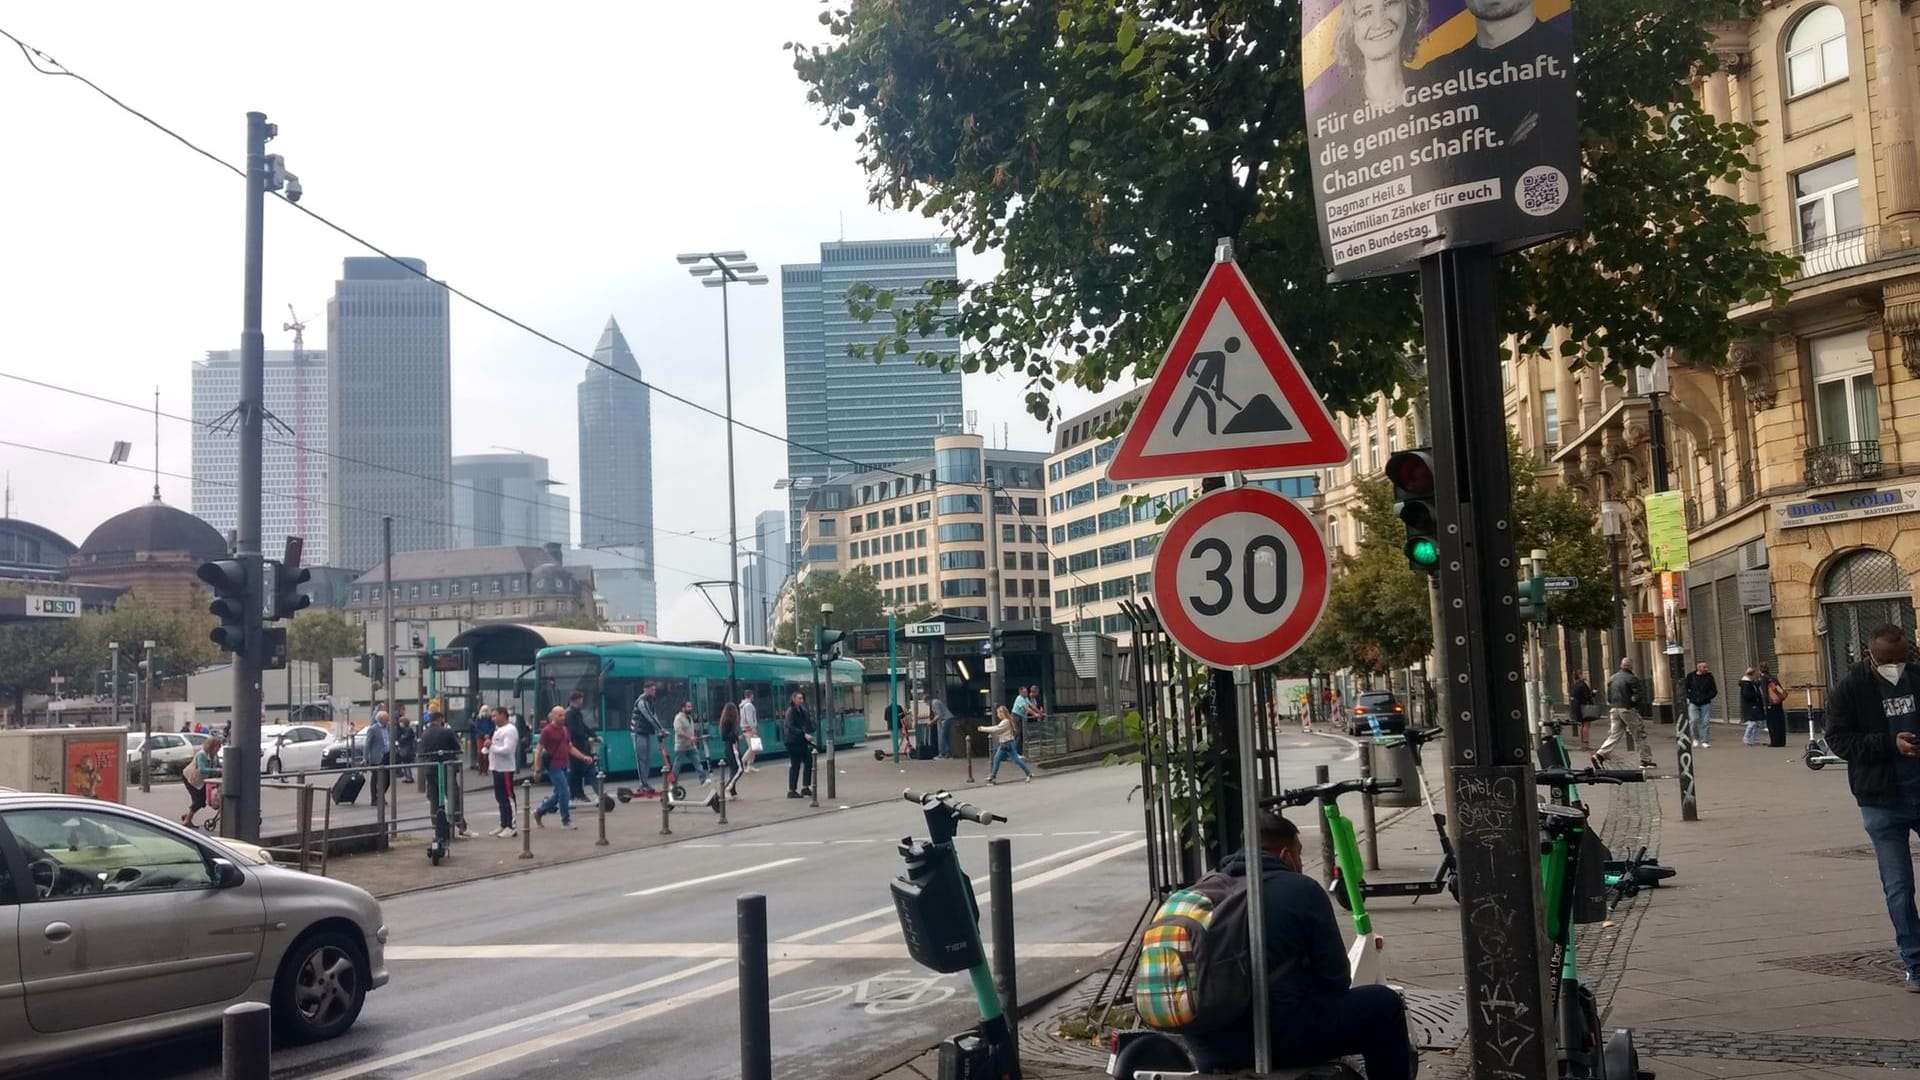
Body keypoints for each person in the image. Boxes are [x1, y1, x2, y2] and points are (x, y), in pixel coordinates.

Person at [1187, 809, 1414, 1079]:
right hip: (1276, 1039)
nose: (1301, 863)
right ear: (1286, 855)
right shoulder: (1300, 889)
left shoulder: (1201, 890)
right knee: (1385, 1006)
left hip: (1204, 1044)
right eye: (1299, 854)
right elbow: (1335, 979)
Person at [1823, 623, 1920, 993]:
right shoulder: (1851, 689)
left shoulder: (1918, 678)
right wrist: (1889, 744)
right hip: (1882, 799)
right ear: (1870, 655)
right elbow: (1839, 740)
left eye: (1902, 659)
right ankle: (1915, 962)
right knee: (1898, 886)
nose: (1896, 665)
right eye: (1887, 660)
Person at [1332, 0, 1429, 114]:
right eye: (1365, 13)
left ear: (1408, 8)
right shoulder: (1336, 112)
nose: (1379, 23)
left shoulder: (1437, 85)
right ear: (1350, 28)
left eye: (1389, 3)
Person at [534, 706, 593, 829]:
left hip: (564, 765)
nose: (563, 718)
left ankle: (539, 811)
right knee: (565, 790)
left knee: (559, 793)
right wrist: (537, 769)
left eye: (564, 715)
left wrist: (583, 757)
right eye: (560, 715)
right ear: (553, 716)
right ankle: (565, 820)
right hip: (553, 766)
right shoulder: (547, 731)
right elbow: (538, 750)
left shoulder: (565, 730)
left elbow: (570, 747)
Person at [1594, 658, 1657, 769]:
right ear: (1630, 666)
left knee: (1615, 734)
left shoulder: (1612, 678)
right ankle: (1645, 760)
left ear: (1621, 665)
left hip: (1614, 709)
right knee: (1639, 734)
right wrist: (1633, 703)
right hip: (1627, 709)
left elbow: (1608, 696)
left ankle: (1600, 754)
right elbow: (1639, 695)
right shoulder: (1632, 679)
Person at [419, 710, 468, 837]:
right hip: (446, 768)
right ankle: (459, 823)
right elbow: (457, 747)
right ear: (440, 719)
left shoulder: (424, 734)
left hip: (429, 769)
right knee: (453, 796)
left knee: (434, 798)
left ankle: (437, 825)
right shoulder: (446, 732)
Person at [481, 705, 519, 837]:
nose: (493, 718)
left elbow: (507, 750)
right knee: (500, 797)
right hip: (496, 767)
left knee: (508, 796)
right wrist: (488, 748)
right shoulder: (498, 729)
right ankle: (504, 823)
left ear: (503, 715)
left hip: (506, 768)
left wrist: (492, 746)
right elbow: (495, 747)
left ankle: (512, 825)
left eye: (495, 715)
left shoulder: (510, 730)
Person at [979, 705, 1034, 784]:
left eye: (998, 713)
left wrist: (983, 728)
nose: (997, 714)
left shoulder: (1006, 722)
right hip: (1006, 743)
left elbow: (996, 729)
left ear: (1002, 713)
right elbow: (997, 727)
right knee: (997, 759)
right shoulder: (1007, 720)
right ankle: (992, 776)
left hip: (1007, 744)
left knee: (1015, 760)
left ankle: (1028, 773)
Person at [181, 734, 223, 827]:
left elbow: (219, 766)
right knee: (199, 800)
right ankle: (187, 820)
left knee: (200, 799)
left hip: (201, 780)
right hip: (191, 778)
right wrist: (217, 770)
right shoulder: (202, 754)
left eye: (219, 747)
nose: (218, 749)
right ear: (211, 746)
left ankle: (187, 816)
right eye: (217, 747)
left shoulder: (214, 755)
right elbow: (202, 769)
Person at [629, 681, 663, 795]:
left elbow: (655, 716)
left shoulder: (650, 701)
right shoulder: (642, 702)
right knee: (641, 759)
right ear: (646, 690)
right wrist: (661, 730)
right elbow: (649, 716)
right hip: (637, 733)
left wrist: (660, 730)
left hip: (646, 733)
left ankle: (645, 783)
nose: (654, 691)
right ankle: (643, 784)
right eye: (652, 690)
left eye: (654, 689)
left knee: (647, 759)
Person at [564, 691, 598, 803]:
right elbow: (574, 730)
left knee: (577, 772)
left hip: (581, 746)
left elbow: (584, 727)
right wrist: (587, 737)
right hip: (575, 746)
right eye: (580, 699)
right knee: (585, 770)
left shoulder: (578, 713)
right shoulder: (569, 714)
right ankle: (575, 794)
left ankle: (576, 794)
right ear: (575, 700)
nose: (582, 701)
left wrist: (594, 736)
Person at [785, 691, 816, 799]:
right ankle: (791, 790)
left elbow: (807, 723)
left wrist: (810, 725)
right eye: (799, 698)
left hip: (801, 741)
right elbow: (790, 726)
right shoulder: (790, 711)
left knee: (808, 761)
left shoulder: (802, 710)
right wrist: (804, 734)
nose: (801, 700)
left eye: (802, 698)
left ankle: (805, 787)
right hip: (792, 741)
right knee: (795, 764)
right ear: (793, 699)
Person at [672, 701, 711, 786]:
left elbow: (690, 730)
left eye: (690, 707)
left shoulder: (689, 717)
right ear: (683, 708)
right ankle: (673, 783)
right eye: (688, 707)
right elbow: (678, 731)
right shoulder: (678, 718)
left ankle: (703, 780)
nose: (690, 708)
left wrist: (693, 738)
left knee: (697, 762)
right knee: (677, 765)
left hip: (691, 746)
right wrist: (689, 737)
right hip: (681, 746)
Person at [1681, 661, 1718, 747]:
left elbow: (1714, 690)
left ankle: (1705, 740)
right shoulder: (1691, 676)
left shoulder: (1709, 677)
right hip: (1694, 702)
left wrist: (1708, 697)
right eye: (1704, 667)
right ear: (1699, 668)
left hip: (1705, 702)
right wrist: (1690, 697)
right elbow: (1686, 688)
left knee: (1705, 722)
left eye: (1706, 667)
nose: (1706, 669)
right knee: (1693, 720)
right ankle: (1695, 738)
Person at [364, 710, 393, 802]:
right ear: (381, 719)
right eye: (386, 718)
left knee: (388, 779)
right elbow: (367, 744)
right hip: (377, 757)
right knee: (377, 779)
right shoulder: (373, 729)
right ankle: (375, 798)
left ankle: (379, 795)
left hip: (388, 755)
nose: (388, 720)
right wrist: (365, 758)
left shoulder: (388, 728)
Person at [717, 701, 744, 799]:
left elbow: (725, 736)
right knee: (739, 769)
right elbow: (726, 736)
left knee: (733, 769)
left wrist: (737, 737)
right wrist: (736, 736)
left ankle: (732, 791)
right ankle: (727, 789)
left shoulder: (725, 721)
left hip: (729, 747)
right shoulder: (729, 722)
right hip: (732, 747)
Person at [1760, 662, 1790, 747]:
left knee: (1772, 723)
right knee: (1780, 721)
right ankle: (1782, 741)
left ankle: (1775, 741)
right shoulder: (1773, 677)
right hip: (1778, 702)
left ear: (1760, 670)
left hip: (1771, 704)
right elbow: (1780, 689)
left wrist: (1766, 704)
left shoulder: (1763, 679)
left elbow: (1765, 693)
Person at [1740, 667, 1766, 747]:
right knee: (1752, 722)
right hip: (1750, 705)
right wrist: (1758, 695)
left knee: (1757, 723)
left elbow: (1757, 685)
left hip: (1754, 704)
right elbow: (1747, 695)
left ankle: (1755, 740)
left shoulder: (1751, 682)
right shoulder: (1746, 684)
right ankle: (1746, 738)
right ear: (1752, 674)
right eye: (1755, 675)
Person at [1568, 670, 1595, 747]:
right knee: (1586, 724)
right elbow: (1588, 696)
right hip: (1584, 706)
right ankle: (1586, 742)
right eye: (1582, 674)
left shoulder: (1575, 685)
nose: (1584, 675)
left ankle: (1582, 741)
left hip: (1577, 707)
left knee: (1582, 725)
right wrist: (1593, 693)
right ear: (1580, 675)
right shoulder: (1583, 685)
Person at [739, 689, 761, 773]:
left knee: (754, 747)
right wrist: (753, 728)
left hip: (746, 729)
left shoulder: (743, 705)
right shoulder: (748, 705)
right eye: (753, 695)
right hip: (749, 729)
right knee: (752, 748)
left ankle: (749, 765)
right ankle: (742, 762)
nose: (753, 696)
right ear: (751, 695)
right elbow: (749, 719)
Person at [930, 693, 957, 760]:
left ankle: (945, 754)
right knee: (945, 737)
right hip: (948, 719)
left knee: (943, 737)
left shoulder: (934, 703)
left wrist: (932, 721)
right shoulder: (935, 702)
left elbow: (939, 714)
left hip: (946, 719)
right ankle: (946, 754)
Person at [393, 706, 417, 782]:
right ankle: (408, 777)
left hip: (407, 749)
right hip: (406, 749)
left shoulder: (408, 730)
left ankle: (409, 777)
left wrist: (400, 738)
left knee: (406, 764)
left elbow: (403, 738)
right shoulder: (404, 730)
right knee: (405, 763)